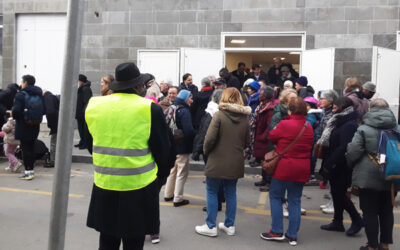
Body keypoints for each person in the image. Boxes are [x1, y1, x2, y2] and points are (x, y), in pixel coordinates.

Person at [85, 62, 171, 250]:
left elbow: (88, 140)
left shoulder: (94, 105)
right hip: (139, 186)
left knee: (107, 241)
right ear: (138, 86)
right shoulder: (149, 108)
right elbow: (163, 150)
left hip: (104, 182)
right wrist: (161, 178)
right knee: (134, 241)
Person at [195, 88, 251, 237]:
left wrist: (206, 152)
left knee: (212, 191)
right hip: (236, 160)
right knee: (231, 192)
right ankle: (229, 225)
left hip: (217, 159)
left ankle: (210, 225)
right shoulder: (245, 118)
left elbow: (209, 139)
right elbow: (247, 142)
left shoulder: (219, 115)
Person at [260, 97, 313, 246]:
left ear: (290, 110)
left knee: (276, 196)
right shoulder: (308, 126)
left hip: (284, 166)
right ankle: (292, 235)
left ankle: (276, 231)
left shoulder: (284, 124)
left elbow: (272, 137)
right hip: (302, 166)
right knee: (295, 200)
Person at [347, 98, 397, 250]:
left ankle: (372, 246)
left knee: (370, 212)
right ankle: (385, 244)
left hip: (368, 176)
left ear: (370, 109)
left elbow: (353, 152)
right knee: (387, 211)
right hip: (392, 175)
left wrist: (351, 165)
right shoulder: (397, 128)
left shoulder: (363, 129)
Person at [319, 97, 364, 236]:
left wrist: (329, 163)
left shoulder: (349, 124)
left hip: (341, 165)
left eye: (335, 106)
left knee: (340, 194)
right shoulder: (339, 120)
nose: (333, 107)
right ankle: (337, 222)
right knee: (336, 193)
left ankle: (357, 219)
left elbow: (344, 147)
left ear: (343, 107)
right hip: (335, 163)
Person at [192, 90, 224, 211]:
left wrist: (197, 149)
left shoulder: (210, 112)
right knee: (219, 177)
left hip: (210, 150)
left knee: (212, 179)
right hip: (221, 149)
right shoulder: (223, 112)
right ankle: (220, 200)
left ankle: (215, 205)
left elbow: (204, 133)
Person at [164, 90, 197, 207]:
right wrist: (197, 133)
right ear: (185, 98)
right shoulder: (184, 111)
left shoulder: (172, 107)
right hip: (182, 146)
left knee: (173, 170)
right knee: (182, 172)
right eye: (190, 98)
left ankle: (168, 194)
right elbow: (188, 131)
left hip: (172, 144)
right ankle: (178, 198)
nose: (191, 100)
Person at [12, 74, 44, 180]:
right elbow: (43, 109)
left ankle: (28, 172)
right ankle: (31, 171)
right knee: (31, 147)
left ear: (25, 82)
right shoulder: (39, 94)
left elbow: (16, 111)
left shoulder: (21, 95)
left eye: (22, 82)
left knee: (25, 149)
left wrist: (18, 117)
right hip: (35, 124)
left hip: (23, 125)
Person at [252, 86, 279, 191]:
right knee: (263, 159)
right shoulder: (263, 105)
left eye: (261, 93)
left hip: (265, 139)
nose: (259, 95)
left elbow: (270, 125)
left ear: (266, 96)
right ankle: (264, 179)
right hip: (260, 135)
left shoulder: (270, 108)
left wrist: (263, 136)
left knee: (268, 159)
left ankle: (269, 182)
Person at [318, 89, 339, 213]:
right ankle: (331, 202)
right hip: (326, 147)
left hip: (331, 147)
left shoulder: (333, 113)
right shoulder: (325, 111)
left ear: (330, 101)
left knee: (333, 177)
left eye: (323, 98)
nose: (320, 101)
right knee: (329, 176)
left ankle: (334, 204)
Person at [304, 97, 322, 182]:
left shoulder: (311, 114)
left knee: (311, 156)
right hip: (315, 137)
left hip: (313, 137)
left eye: (307, 105)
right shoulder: (317, 113)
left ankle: (310, 174)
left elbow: (308, 125)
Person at [43, 90, 60, 168]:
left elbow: (50, 112)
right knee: (58, 143)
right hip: (59, 123)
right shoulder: (53, 96)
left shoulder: (48, 98)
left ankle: (53, 161)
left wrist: (50, 124)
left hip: (55, 125)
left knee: (54, 143)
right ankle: (58, 160)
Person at [75, 74, 92, 150]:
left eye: (78, 81)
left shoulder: (85, 89)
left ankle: (85, 144)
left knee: (83, 129)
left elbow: (87, 102)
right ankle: (82, 142)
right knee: (80, 129)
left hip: (83, 114)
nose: (77, 82)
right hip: (80, 113)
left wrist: (83, 112)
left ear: (81, 81)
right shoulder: (82, 88)